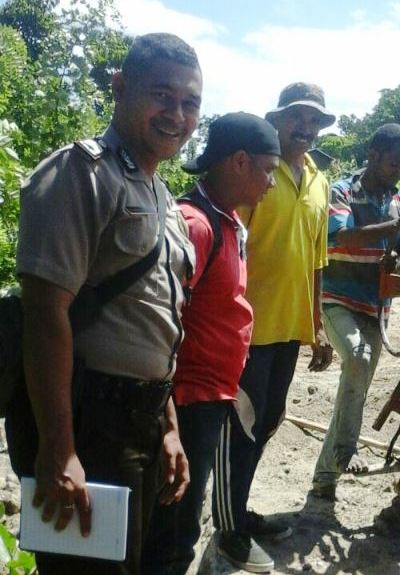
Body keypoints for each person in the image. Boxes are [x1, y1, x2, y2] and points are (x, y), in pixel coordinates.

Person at [5, 33, 202, 575]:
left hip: (139, 421)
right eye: (162, 95)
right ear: (119, 88)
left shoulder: (162, 196)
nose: (177, 114)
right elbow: (47, 314)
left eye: (190, 103)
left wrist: (167, 428)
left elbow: (155, 322)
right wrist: (58, 448)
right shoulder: (79, 173)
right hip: (87, 419)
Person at [141, 112, 281, 575]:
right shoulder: (195, 225)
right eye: (268, 170)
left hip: (211, 393)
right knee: (174, 528)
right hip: (189, 400)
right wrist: (169, 423)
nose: (271, 184)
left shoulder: (227, 221)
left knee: (183, 511)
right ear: (240, 162)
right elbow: (159, 324)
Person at [213, 82, 335, 573]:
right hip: (246, 328)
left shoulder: (320, 182)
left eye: (315, 122)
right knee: (238, 429)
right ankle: (227, 529)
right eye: (297, 119)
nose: (305, 129)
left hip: (289, 328)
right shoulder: (255, 174)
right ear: (278, 120)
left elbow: (317, 260)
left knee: (267, 422)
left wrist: (318, 326)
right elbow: (230, 245)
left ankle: (237, 510)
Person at [311, 124, 400, 500]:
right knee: (357, 357)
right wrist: (395, 226)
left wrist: (399, 257)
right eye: (394, 164)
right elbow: (344, 237)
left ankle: (325, 478)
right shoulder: (342, 192)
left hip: (376, 308)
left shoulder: (399, 201)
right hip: (337, 299)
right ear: (373, 155)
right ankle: (347, 449)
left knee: (353, 390)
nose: (399, 172)